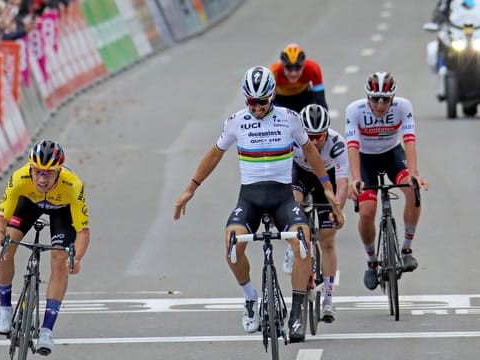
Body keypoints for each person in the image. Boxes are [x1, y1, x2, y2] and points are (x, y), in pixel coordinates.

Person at [173, 66, 344, 342]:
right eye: (251, 102)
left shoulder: (289, 119)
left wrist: (326, 187)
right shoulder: (236, 121)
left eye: (262, 102)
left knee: (303, 242)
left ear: (272, 96)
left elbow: (311, 151)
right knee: (231, 243)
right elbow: (214, 155)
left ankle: (297, 314)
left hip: (282, 198)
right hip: (250, 198)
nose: (257, 108)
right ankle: (251, 298)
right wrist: (190, 189)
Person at [0, 140, 90, 355]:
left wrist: (77, 258)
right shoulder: (19, 178)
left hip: (61, 211)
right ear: (31, 169)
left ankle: (46, 331)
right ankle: (5, 309)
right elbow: (0, 218)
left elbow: (83, 231)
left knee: (59, 260)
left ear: (58, 172)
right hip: (29, 203)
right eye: (37, 172)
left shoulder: (73, 185)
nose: (42, 178)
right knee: (6, 248)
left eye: (48, 173)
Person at [345, 72, 429, 291]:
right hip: (365, 160)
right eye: (375, 99)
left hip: (392, 154)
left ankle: (406, 250)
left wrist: (413, 173)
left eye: (385, 99)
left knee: (413, 192)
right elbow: (352, 146)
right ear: (368, 97)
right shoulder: (355, 110)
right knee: (366, 211)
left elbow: (409, 140)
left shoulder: (403, 106)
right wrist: (355, 180)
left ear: (393, 97)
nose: (380, 104)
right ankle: (371, 260)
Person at [282, 104, 348, 322]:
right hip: (300, 174)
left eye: (320, 136)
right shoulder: (293, 140)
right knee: (293, 201)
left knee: (328, 241)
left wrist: (338, 210)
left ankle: (328, 299)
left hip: (325, 180)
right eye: (310, 136)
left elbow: (342, 182)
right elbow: (281, 172)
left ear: (327, 132)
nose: (316, 141)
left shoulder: (337, 144)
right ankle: (292, 243)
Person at [268, 43, 328, 113]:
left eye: (298, 68)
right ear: (282, 66)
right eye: (289, 68)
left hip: (304, 97)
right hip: (280, 100)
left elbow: (321, 100)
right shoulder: (274, 72)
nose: (293, 73)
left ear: (303, 66)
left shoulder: (313, 69)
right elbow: (266, 100)